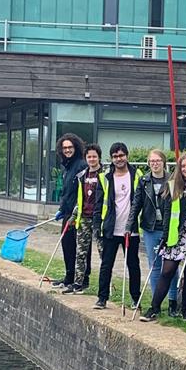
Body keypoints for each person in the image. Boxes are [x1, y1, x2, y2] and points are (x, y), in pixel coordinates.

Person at [140, 154, 186, 322]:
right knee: (167, 271)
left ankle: (185, 310)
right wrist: (166, 236)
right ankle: (154, 308)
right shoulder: (173, 186)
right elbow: (168, 213)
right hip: (176, 235)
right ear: (179, 168)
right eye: (183, 166)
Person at [127, 149, 179, 315]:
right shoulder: (144, 181)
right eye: (152, 161)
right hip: (150, 228)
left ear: (163, 162)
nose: (155, 164)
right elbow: (136, 204)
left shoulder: (172, 180)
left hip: (169, 229)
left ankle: (173, 301)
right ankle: (157, 302)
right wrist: (129, 225)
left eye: (158, 161)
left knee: (171, 267)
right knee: (154, 266)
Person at [92, 142, 142, 310]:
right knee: (106, 264)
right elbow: (98, 204)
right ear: (111, 158)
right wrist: (97, 225)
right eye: (115, 156)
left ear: (126, 156)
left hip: (131, 229)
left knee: (133, 265)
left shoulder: (137, 175)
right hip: (110, 229)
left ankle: (136, 299)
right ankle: (102, 298)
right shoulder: (104, 178)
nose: (118, 159)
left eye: (121, 155)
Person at [61, 143, 106, 295]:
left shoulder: (106, 175)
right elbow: (80, 199)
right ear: (86, 158)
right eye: (89, 157)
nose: (92, 159)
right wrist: (73, 216)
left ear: (99, 157)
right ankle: (78, 283)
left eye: (94, 156)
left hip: (100, 219)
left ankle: (106, 286)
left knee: (103, 253)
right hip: (84, 218)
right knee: (80, 253)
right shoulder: (82, 176)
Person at [52, 133, 87, 289]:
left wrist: (76, 211)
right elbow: (66, 192)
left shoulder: (81, 165)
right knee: (66, 244)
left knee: (79, 248)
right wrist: (61, 209)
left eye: (70, 147)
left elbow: (82, 191)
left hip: (78, 214)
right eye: (65, 148)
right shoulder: (66, 167)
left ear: (76, 147)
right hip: (67, 213)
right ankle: (69, 276)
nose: (67, 150)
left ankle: (81, 279)